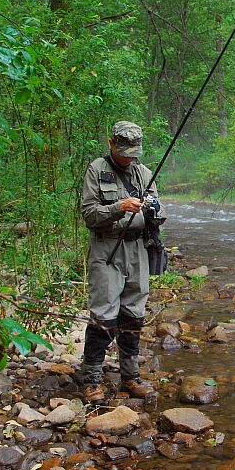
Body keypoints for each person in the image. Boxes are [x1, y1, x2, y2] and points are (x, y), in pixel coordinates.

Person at [79, 121, 166, 403]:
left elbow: (160, 212)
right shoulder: (96, 170)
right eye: (125, 152)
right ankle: (91, 379)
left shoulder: (144, 173)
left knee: (134, 314)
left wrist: (153, 209)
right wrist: (120, 207)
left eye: (134, 153)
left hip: (138, 248)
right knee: (103, 315)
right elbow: (89, 214)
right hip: (107, 248)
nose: (130, 158)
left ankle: (130, 376)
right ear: (111, 144)